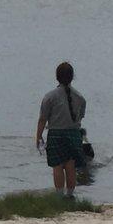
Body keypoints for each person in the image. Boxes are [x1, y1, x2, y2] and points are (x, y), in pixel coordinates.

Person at [36, 62, 86, 198]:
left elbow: (42, 119)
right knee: (71, 166)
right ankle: (70, 195)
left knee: (57, 166)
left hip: (56, 134)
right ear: (72, 77)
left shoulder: (49, 97)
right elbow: (80, 118)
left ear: (57, 77)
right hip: (74, 134)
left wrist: (38, 137)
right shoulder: (80, 97)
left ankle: (59, 196)